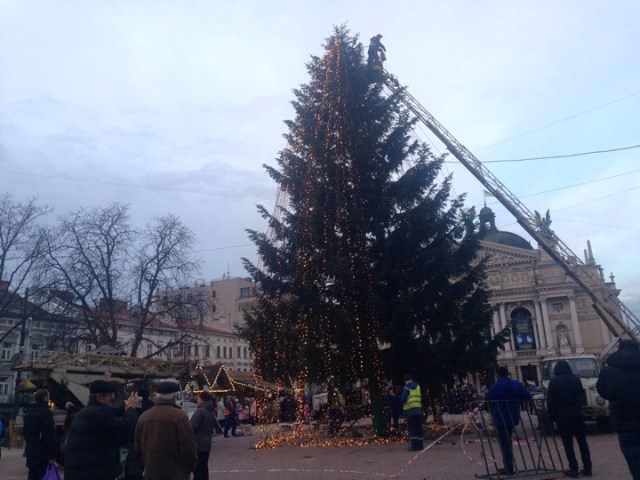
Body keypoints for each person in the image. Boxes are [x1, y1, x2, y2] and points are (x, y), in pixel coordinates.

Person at [64, 380, 139, 480]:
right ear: (100, 397)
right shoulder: (100, 414)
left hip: (81, 471)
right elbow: (124, 429)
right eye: (110, 395)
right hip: (94, 473)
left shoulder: (86, 412)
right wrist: (131, 409)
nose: (112, 398)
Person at [135, 381, 197, 480]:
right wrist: (191, 466)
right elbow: (188, 446)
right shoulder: (179, 416)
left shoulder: (144, 417)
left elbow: (137, 447)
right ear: (174, 397)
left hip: (151, 471)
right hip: (175, 472)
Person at [597, 339, 640, 480]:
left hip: (625, 421)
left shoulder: (609, 371)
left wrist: (617, 397)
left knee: (634, 458)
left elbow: (602, 391)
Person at [546, 360, 592, 477]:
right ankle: (588, 468)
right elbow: (581, 396)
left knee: (568, 444)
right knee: (582, 442)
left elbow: (550, 401)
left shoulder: (554, 382)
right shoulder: (576, 380)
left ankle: (573, 468)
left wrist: (552, 417)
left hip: (563, 417)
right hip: (577, 415)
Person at [485, 367, 531, 475]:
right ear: (508, 373)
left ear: (498, 374)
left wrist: (490, 409)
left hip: (500, 417)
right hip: (513, 416)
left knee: (504, 442)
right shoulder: (516, 384)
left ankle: (509, 467)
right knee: (507, 440)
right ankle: (508, 465)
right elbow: (527, 396)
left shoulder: (495, 386)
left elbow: (487, 400)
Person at [23, 389, 57, 480]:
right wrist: (52, 454)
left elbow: (25, 432)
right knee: (42, 475)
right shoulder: (46, 413)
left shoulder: (28, 413)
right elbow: (49, 435)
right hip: (42, 452)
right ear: (45, 398)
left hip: (31, 451)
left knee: (32, 475)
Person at [191, 391, 215, 480]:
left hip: (198, 443)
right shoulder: (210, 410)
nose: (197, 400)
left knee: (198, 468)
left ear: (202, 399)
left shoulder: (200, 411)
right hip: (206, 442)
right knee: (204, 466)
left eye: (198, 398)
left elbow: (193, 426)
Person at [401, 374, 423, 451]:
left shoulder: (406, 387)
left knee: (413, 428)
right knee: (418, 427)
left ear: (405, 381)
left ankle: (414, 446)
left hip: (410, 410)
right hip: (418, 409)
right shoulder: (417, 386)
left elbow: (403, 398)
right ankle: (420, 445)